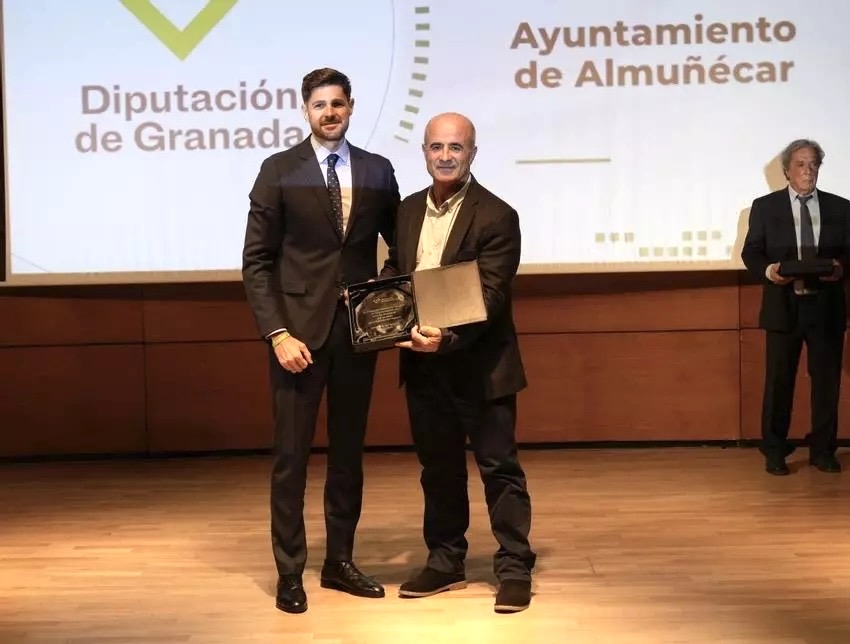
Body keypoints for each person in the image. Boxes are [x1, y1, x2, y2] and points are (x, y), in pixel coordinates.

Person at [241, 67, 399, 613]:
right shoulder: (279, 170)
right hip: (296, 340)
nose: (329, 113)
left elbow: (400, 246)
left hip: (356, 336)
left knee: (348, 456)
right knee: (291, 458)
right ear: (305, 110)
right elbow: (256, 262)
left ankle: (340, 563)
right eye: (319, 105)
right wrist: (276, 333)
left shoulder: (378, 170)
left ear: (351, 106)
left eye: (338, 103)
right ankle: (290, 572)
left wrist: (381, 303)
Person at [380, 112, 536, 613]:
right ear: (424, 152)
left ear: (472, 153)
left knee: (499, 471)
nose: (445, 156)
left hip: (480, 365)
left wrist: (446, 339)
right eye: (436, 147)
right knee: (439, 470)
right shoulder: (407, 210)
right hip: (423, 366)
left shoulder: (497, 215)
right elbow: (397, 273)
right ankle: (446, 562)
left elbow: (490, 295)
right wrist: (375, 309)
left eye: (456, 147)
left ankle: (514, 568)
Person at [741, 138, 850, 476]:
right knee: (779, 383)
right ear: (787, 171)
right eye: (801, 164)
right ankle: (774, 451)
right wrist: (769, 271)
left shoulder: (841, 208)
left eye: (814, 164)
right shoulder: (764, 207)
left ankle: (823, 451)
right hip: (783, 308)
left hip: (826, 308)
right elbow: (751, 252)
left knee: (827, 384)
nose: (808, 170)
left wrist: (840, 268)